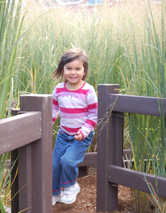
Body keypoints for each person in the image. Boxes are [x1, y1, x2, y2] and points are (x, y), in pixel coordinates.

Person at [51, 48, 98, 206]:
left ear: (84, 71)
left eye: (77, 69)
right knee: (55, 163)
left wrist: (84, 132)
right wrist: (46, 125)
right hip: (64, 134)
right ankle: (55, 193)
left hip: (81, 136)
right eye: (69, 68)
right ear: (62, 69)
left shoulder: (88, 91)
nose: (73, 72)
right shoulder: (58, 90)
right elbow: (53, 110)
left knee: (68, 161)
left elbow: (93, 115)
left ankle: (71, 187)